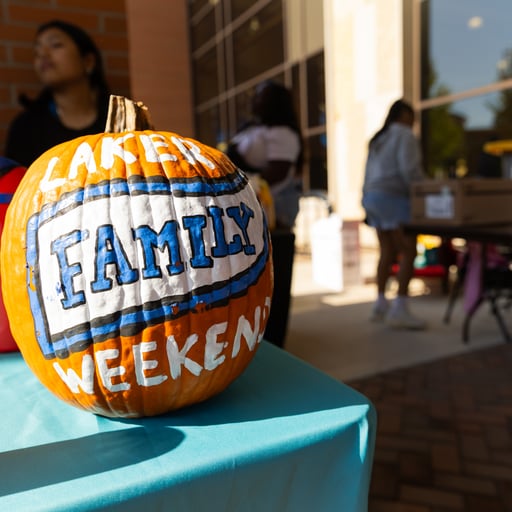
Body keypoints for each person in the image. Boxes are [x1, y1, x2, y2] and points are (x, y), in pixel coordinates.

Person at [227, 80, 303, 347]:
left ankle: (270, 339)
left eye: (261, 96)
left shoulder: (282, 133)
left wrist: (243, 183)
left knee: (271, 277)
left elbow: (278, 172)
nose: (255, 100)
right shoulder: (255, 129)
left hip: (271, 212)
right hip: (249, 209)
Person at [5, 20, 110, 167]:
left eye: (56, 45)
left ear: (88, 61)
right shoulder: (25, 128)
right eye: (37, 52)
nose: (43, 54)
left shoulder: (116, 120)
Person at [362, 99, 426, 330]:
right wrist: (425, 190)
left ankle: (380, 304)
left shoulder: (379, 139)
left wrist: (365, 200)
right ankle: (400, 307)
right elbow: (409, 169)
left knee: (386, 251)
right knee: (408, 251)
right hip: (394, 198)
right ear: (405, 115)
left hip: (373, 197)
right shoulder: (404, 135)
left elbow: (367, 173)